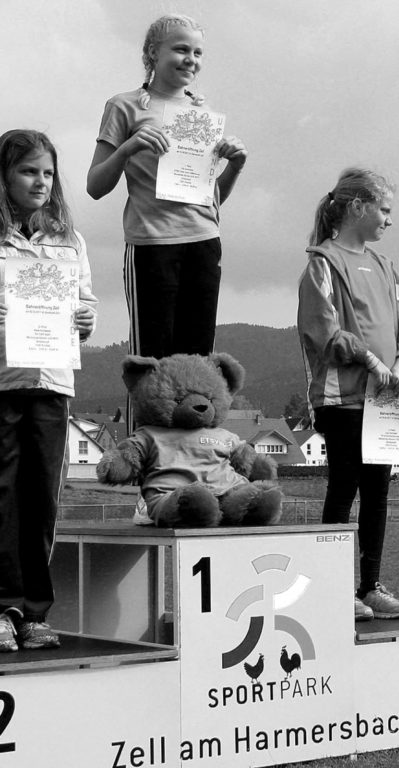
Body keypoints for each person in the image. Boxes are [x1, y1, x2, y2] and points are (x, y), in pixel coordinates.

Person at [86, 13, 247, 360]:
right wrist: (128, 148)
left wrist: (235, 165)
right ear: (152, 53)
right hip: (152, 244)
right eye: (181, 49)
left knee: (197, 361)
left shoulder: (202, 113)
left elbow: (210, 200)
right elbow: (95, 186)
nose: (191, 59)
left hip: (204, 243)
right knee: (151, 360)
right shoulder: (124, 106)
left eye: (198, 52)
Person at [298, 168, 399, 621]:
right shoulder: (323, 263)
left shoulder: (386, 266)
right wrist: (372, 362)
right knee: (344, 486)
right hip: (343, 399)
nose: (389, 219)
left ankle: (370, 586)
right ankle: (331, 588)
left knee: (377, 493)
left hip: (386, 400)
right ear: (357, 207)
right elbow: (324, 331)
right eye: (383, 209)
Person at [0, 130, 98, 651]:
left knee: (42, 500)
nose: (40, 182)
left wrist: (85, 319)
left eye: (47, 172)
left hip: (52, 383)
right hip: (3, 381)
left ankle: (35, 613)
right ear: (4, 176)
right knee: (3, 498)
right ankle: (2, 609)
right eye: (27, 171)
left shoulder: (69, 240)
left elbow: (86, 305)